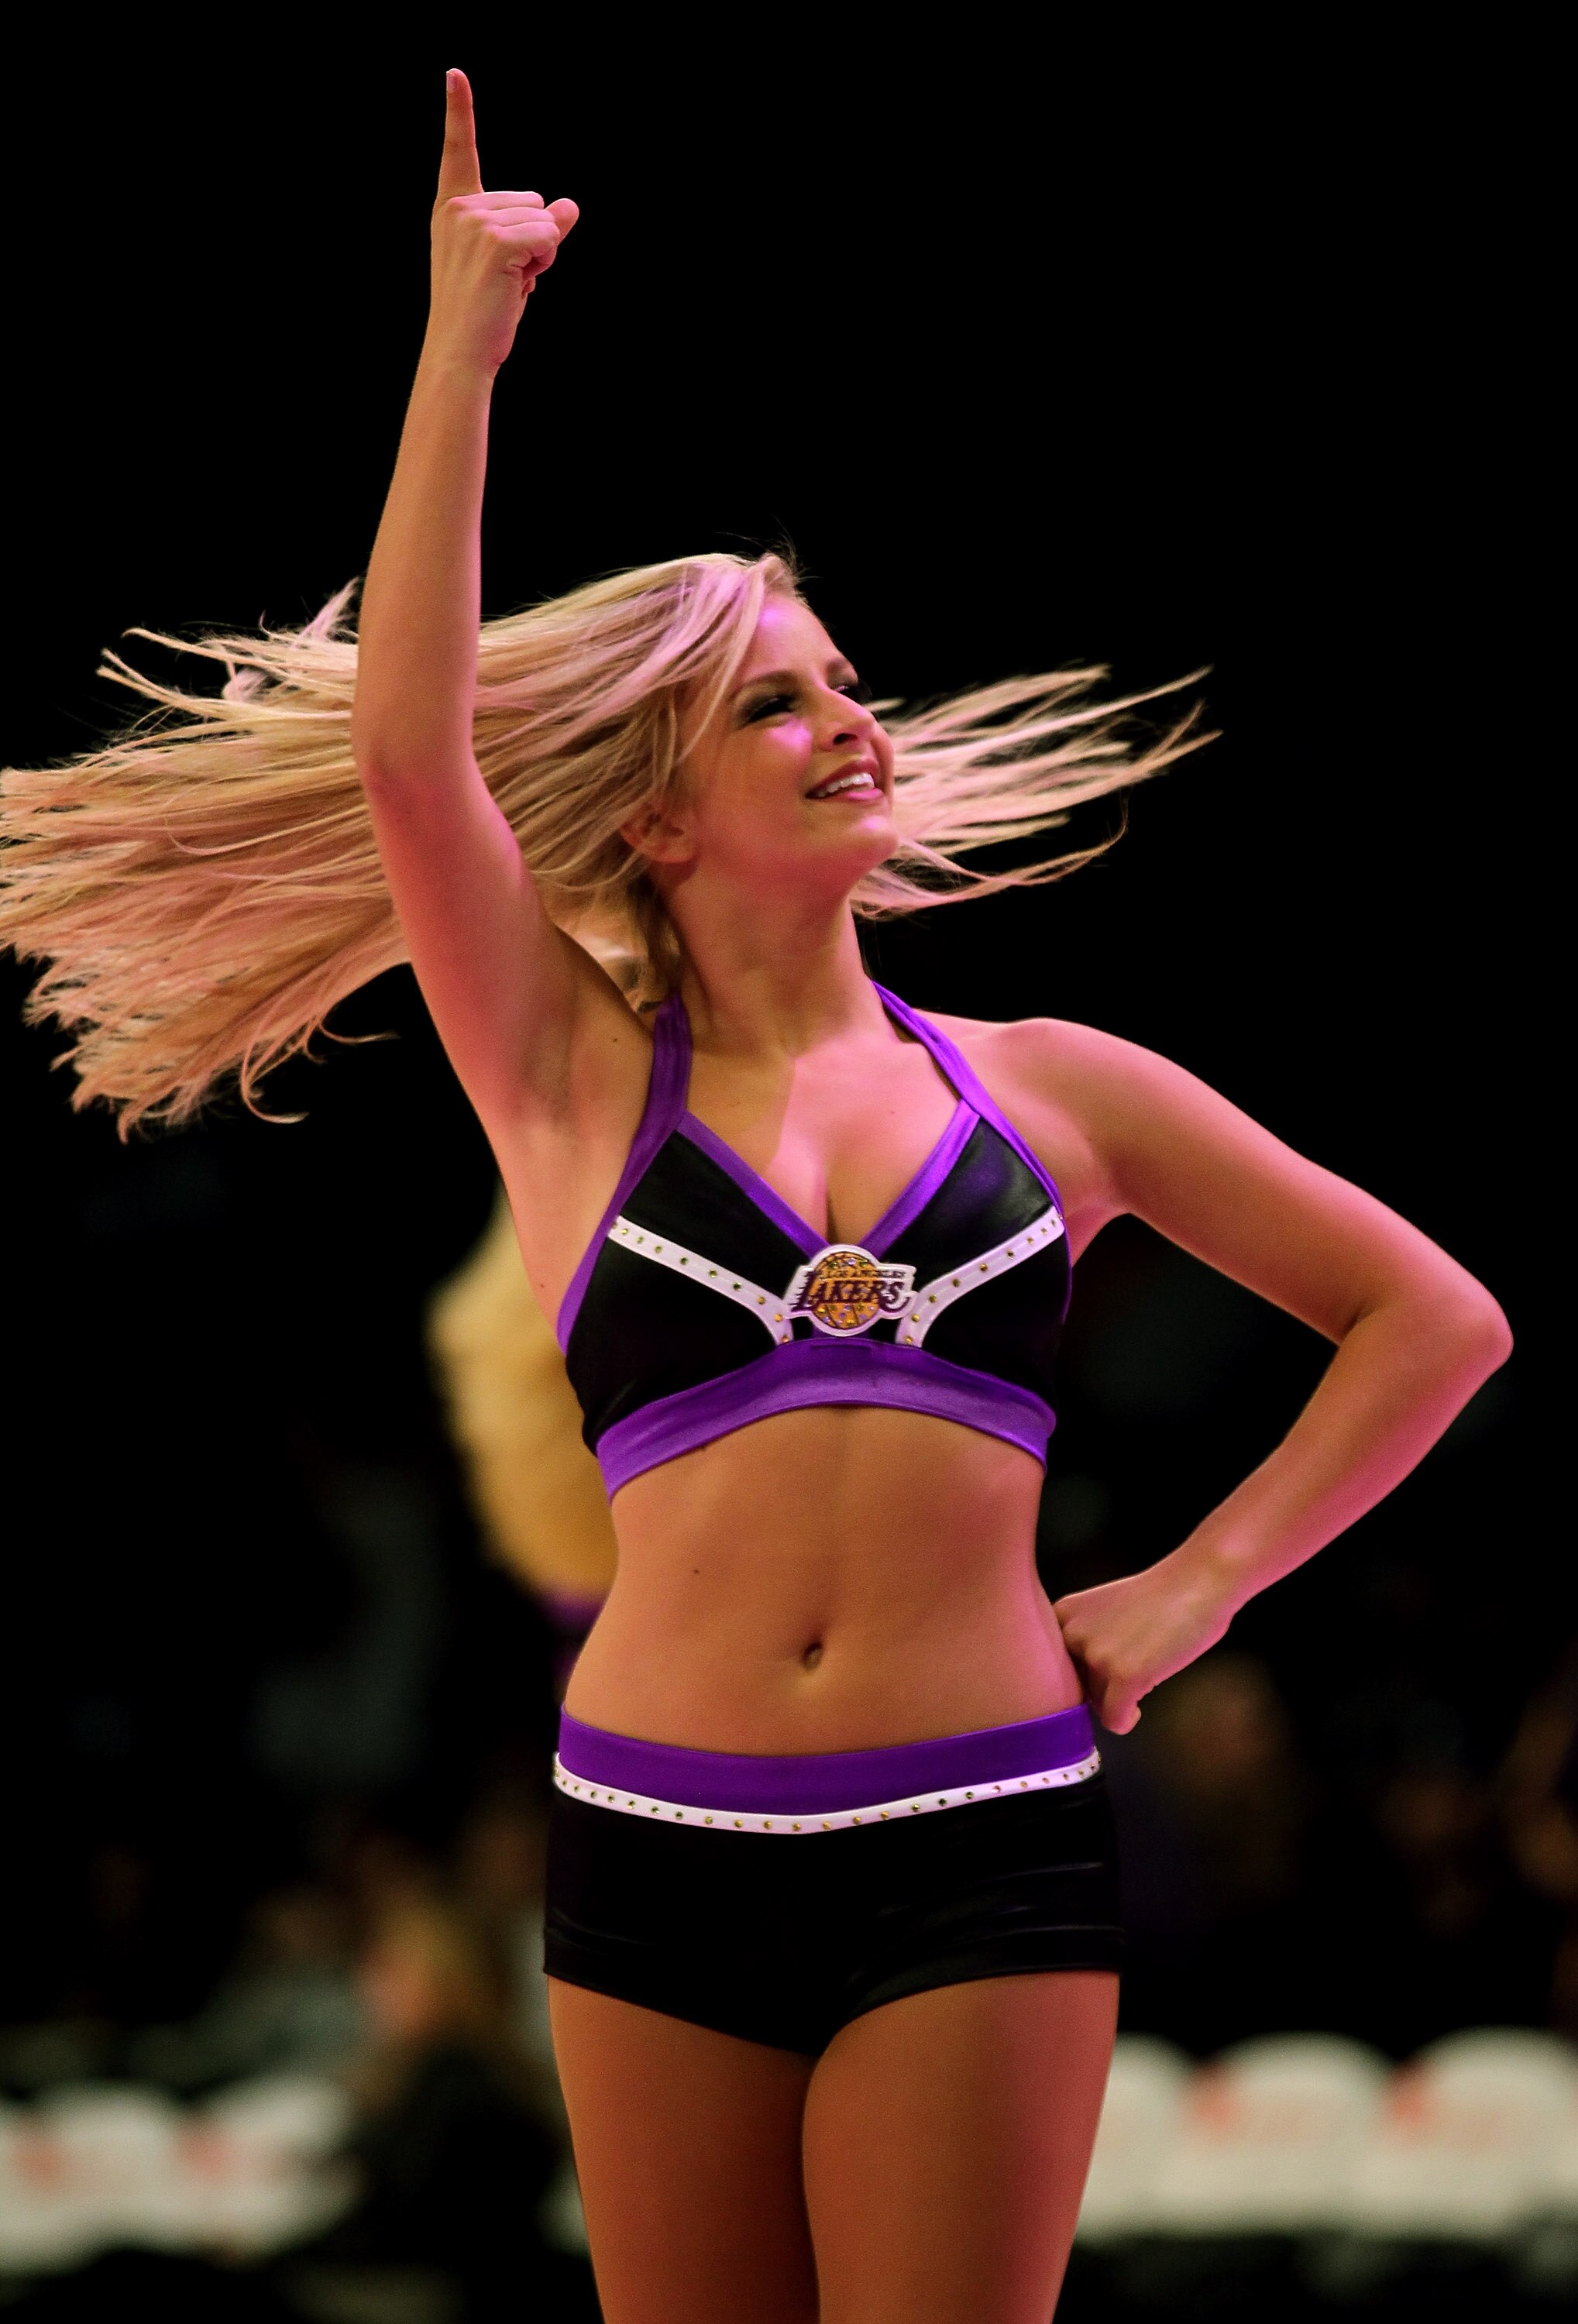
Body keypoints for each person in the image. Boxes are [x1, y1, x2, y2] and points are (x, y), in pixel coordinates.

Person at [0, 69, 1511, 2324]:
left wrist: (1199, 1588)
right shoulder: (567, 1079)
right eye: (781, 709)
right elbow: (410, 750)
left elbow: (1439, 1320)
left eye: (848, 687)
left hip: (980, 1829)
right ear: (658, 814)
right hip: (658, 1841)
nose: (856, 726)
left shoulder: (1058, 1090)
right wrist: (462, 346)